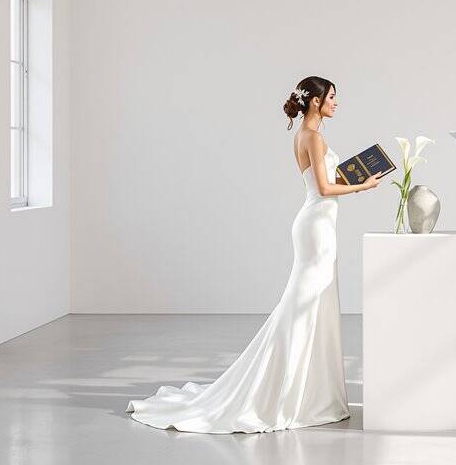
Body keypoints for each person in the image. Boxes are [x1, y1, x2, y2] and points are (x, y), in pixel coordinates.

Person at [126, 76, 383, 433]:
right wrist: (363, 186)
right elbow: (324, 188)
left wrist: (353, 176)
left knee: (311, 306)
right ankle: (285, 392)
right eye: (333, 97)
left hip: (318, 224)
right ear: (315, 102)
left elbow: (324, 181)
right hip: (316, 227)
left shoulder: (307, 135)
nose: (337, 103)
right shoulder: (314, 136)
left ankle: (311, 391)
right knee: (301, 308)